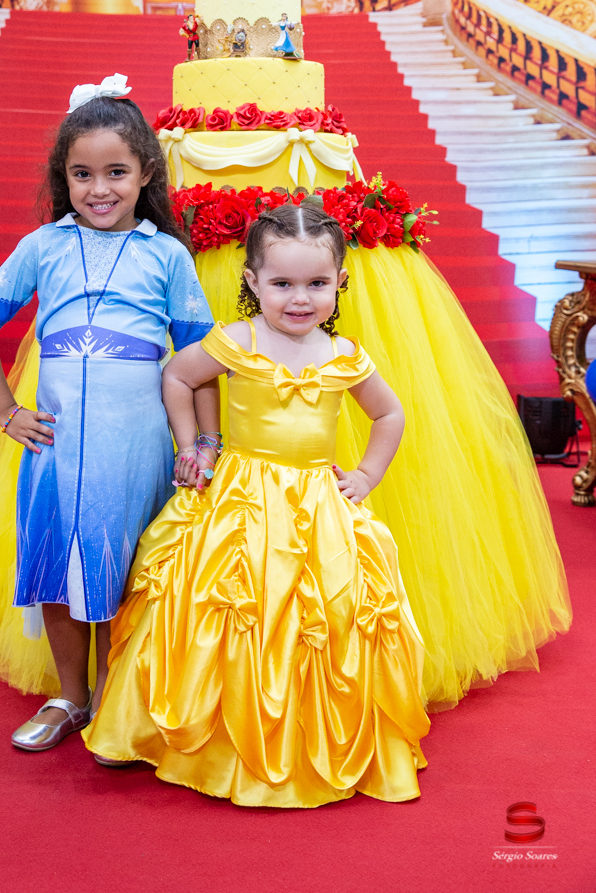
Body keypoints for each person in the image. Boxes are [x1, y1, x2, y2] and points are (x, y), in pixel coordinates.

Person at [84, 203, 430, 806]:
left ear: (340, 282)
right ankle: (181, 731)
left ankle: (303, 736)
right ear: (253, 281)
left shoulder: (344, 355)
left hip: (316, 504)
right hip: (239, 497)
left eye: (316, 283)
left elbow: (390, 413)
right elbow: (178, 376)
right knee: (219, 605)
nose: (300, 299)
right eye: (283, 284)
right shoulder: (237, 341)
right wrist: (194, 445)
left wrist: (367, 475)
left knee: (322, 615)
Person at [0, 74, 216, 752]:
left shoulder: (167, 255)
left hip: (138, 449)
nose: (99, 189)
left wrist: (206, 442)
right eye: (82, 175)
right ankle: (71, 697)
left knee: (125, 569)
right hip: (55, 449)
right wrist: (6, 410)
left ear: (146, 173)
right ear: (63, 177)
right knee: (56, 568)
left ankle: (117, 703)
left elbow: (200, 360)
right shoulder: (42, 247)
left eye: (115, 173)